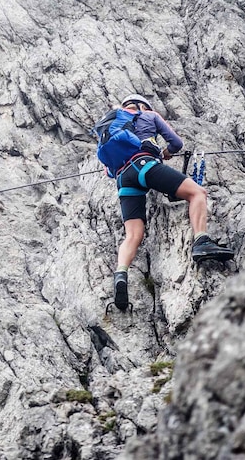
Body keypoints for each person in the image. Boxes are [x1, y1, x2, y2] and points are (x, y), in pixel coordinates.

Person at [98, 94, 234, 311]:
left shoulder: (112, 127)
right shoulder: (149, 115)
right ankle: (201, 241)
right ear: (143, 106)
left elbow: (108, 170)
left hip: (124, 178)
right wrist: (164, 153)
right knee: (197, 193)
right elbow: (176, 143)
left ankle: (121, 272)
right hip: (145, 164)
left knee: (133, 234)